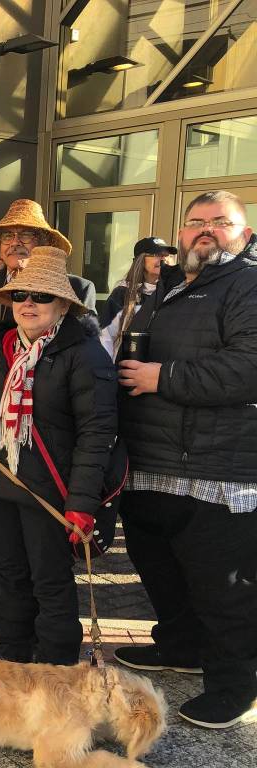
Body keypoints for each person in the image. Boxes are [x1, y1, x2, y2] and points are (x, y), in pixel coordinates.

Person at [114, 190, 257, 729]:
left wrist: (161, 378)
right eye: (195, 222)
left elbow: (250, 367)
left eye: (220, 222)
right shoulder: (171, 286)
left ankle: (234, 685)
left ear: (243, 232)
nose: (206, 231)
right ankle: (180, 646)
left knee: (224, 589)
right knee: (164, 572)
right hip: (153, 463)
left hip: (216, 470)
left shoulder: (248, 283)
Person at [0, 246, 117, 667]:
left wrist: (82, 504)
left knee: (50, 582)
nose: (28, 303)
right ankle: (12, 659)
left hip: (51, 490)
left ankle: (57, 667)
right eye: (21, 295)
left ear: (62, 303)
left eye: (41, 296)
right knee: (9, 577)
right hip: (1, 483)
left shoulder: (84, 354)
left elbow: (97, 433)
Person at [0, 200, 96, 329]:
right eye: (7, 236)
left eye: (26, 235)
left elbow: (85, 341)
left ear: (44, 244)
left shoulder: (77, 289)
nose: (15, 243)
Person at [98, 237, 177, 358]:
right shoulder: (122, 293)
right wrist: (108, 371)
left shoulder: (177, 293)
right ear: (140, 260)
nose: (163, 259)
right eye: (156, 254)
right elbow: (105, 337)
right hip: (127, 369)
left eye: (166, 255)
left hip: (161, 370)